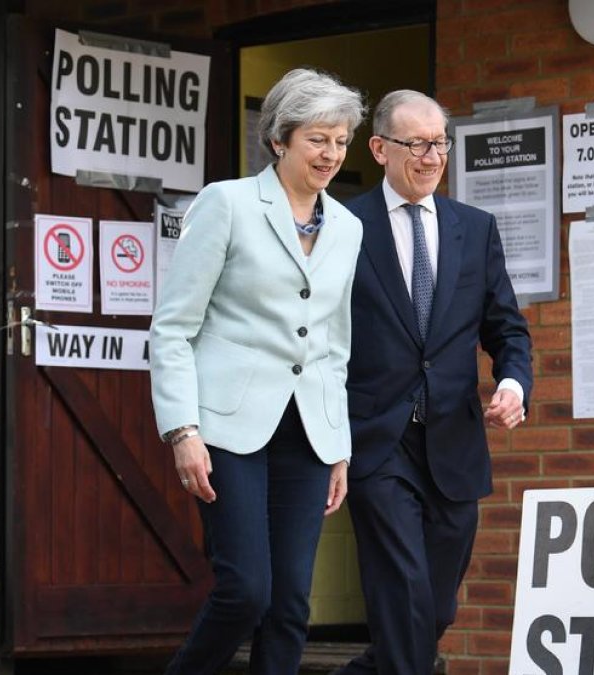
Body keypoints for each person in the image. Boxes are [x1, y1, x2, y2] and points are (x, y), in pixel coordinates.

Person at [149, 68, 366, 675]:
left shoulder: (348, 229)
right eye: (317, 139)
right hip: (227, 429)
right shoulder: (228, 202)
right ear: (279, 139)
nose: (331, 154)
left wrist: (339, 446)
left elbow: (334, 345)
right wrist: (182, 430)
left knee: (292, 603)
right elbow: (172, 327)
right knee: (247, 590)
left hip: (308, 436)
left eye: (341, 140)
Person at [334, 90, 534, 675]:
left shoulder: (475, 228)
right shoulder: (343, 227)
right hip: (377, 440)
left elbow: (507, 328)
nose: (430, 156)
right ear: (379, 149)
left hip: (454, 440)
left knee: (435, 605)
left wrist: (514, 385)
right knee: (404, 590)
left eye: (440, 143)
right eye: (416, 143)